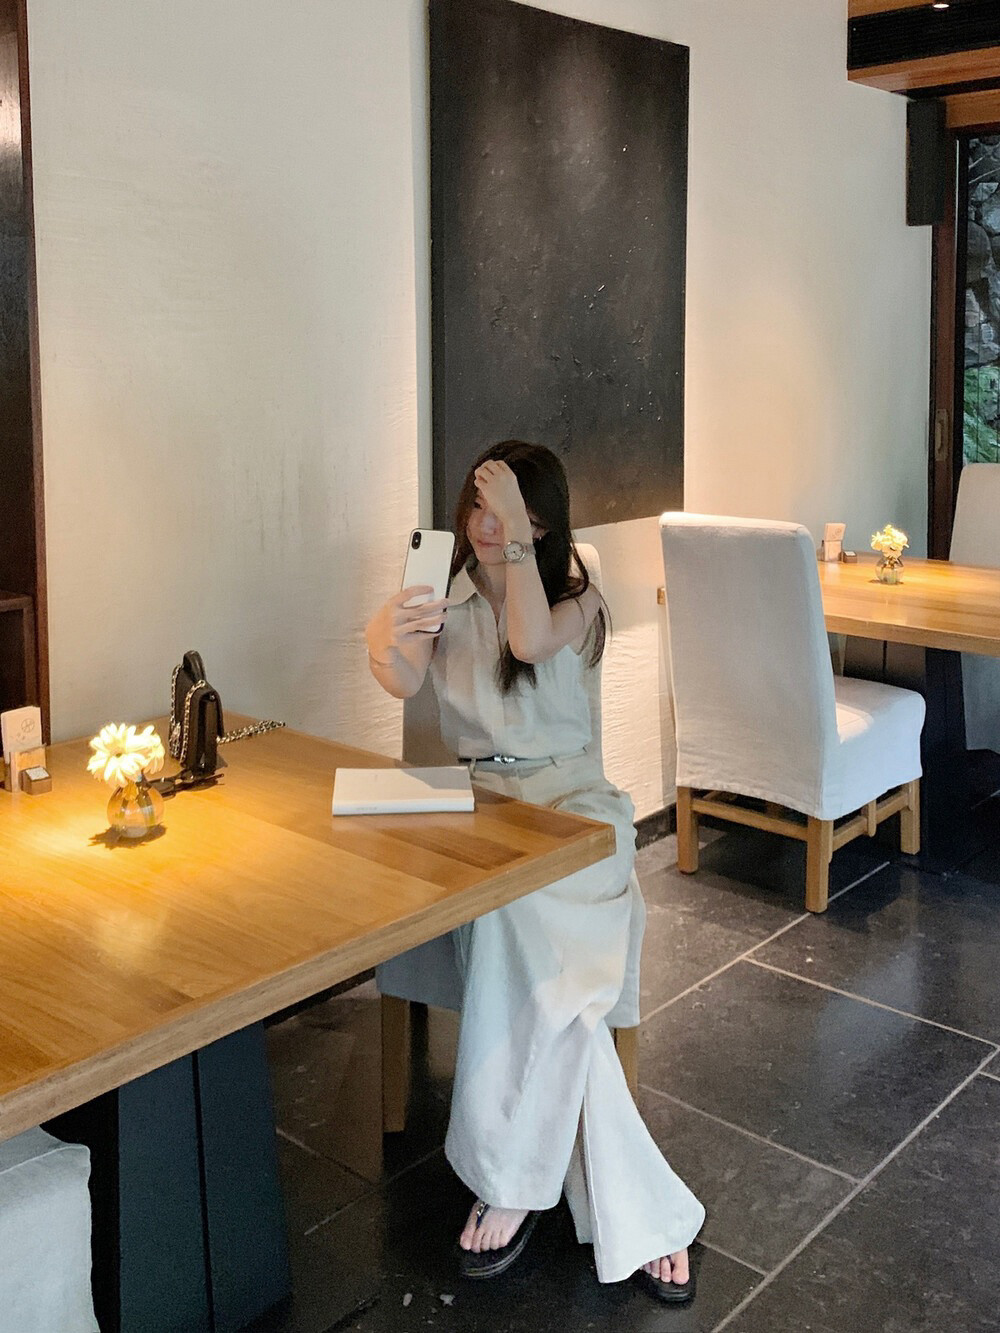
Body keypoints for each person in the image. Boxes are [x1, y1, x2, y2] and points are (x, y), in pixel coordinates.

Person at [365, 441, 704, 1303]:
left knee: (514, 911)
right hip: (479, 805)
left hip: (576, 808)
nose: (487, 526)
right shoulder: (443, 594)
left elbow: (526, 637)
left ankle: (510, 1183)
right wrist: (383, 637)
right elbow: (400, 680)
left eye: (513, 513)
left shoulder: (578, 597)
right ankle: (631, 1204)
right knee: (510, 915)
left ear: (545, 527)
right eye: (479, 506)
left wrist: (514, 534)